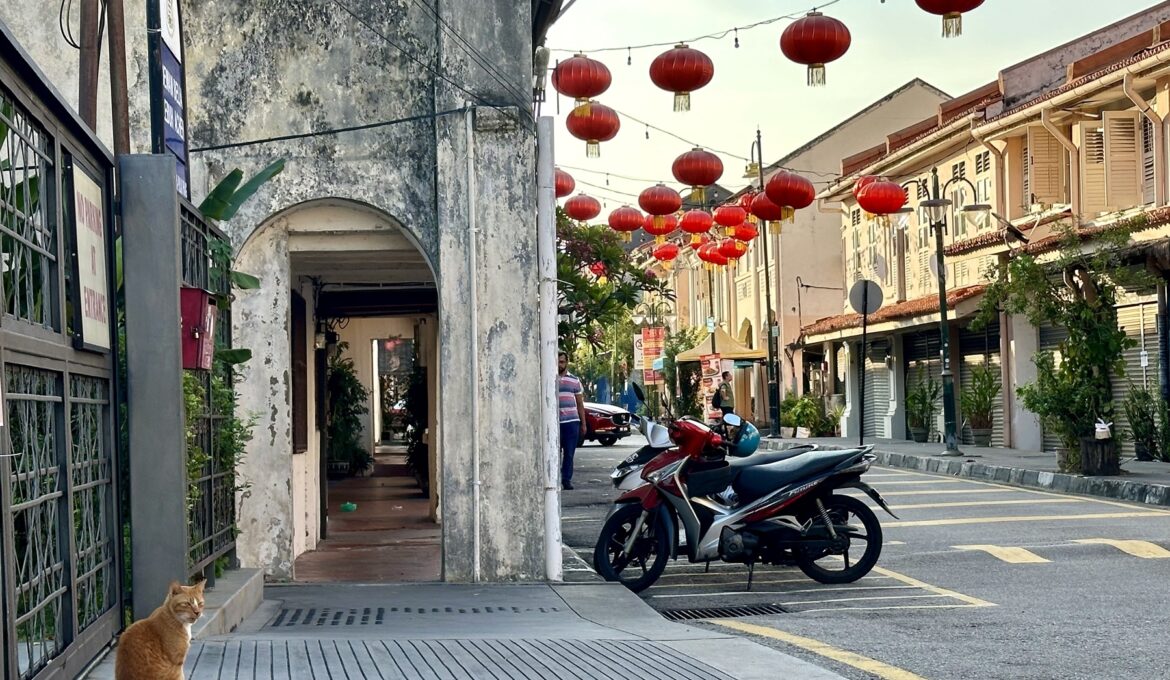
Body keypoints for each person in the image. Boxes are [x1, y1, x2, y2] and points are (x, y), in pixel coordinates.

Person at [558, 351, 587, 490]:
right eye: (557, 362)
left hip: (571, 422)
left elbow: (580, 404)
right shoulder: (549, 378)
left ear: (566, 363)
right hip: (556, 423)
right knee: (555, 453)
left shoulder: (574, 380)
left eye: (562, 362)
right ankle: (555, 478)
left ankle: (566, 479)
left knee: (569, 453)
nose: (559, 364)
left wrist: (583, 423)